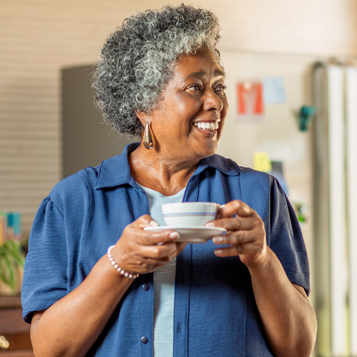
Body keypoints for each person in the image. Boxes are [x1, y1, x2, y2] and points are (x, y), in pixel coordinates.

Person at [21, 4, 317, 357]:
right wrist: (119, 264)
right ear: (144, 106)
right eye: (194, 88)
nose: (215, 103)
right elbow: (49, 349)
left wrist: (260, 258)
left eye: (218, 86)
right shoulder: (74, 201)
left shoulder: (259, 193)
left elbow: (298, 347)